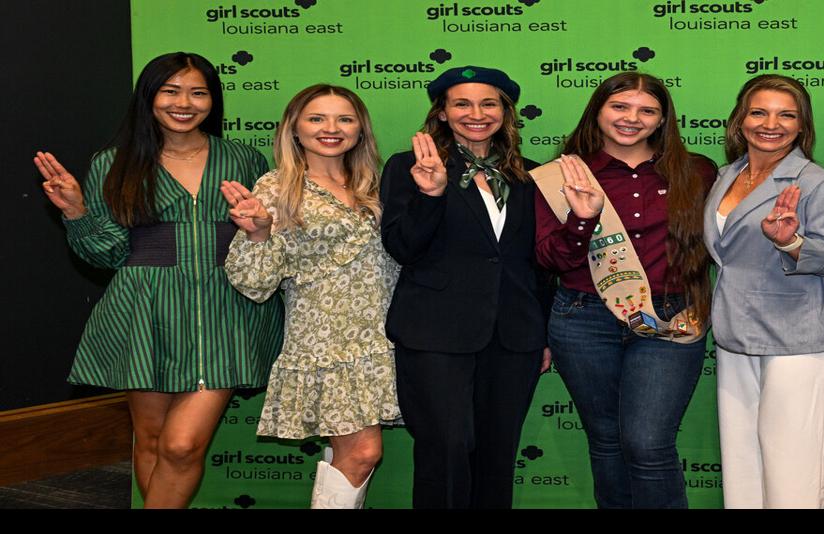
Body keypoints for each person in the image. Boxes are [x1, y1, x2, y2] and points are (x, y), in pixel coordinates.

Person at [33, 52, 283, 508]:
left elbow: (265, 241)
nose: (183, 102)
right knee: (150, 440)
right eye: (170, 90)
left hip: (224, 310)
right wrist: (75, 210)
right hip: (145, 311)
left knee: (181, 445)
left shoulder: (244, 159)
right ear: (149, 96)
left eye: (197, 92)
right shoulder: (114, 162)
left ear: (213, 100)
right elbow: (105, 254)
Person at [534, 72, 716, 509]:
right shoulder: (562, 174)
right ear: (598, 110)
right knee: (607, 441)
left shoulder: (698, 170)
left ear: (662, 120)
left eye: (646, 110)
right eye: (619, 106)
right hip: (583, 318)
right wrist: (582, 219)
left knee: (649, 443)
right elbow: (550, 260)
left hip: (670, 318)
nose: (631, 118)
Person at [221, 84, 399, 509]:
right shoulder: (277, 187)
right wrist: (258, 233)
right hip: (327, 342)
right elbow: (253, 283)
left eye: (345, 119)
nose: (331, 129)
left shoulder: (374, 186)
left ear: (360, 129)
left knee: (349, 455)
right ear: (294, 129)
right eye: (317, 118)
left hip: (384, 337)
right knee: (364, 453)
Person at [380, 65, 548, 509]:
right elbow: (403, 247)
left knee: (497, 455)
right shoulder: (409, 167)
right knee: (446, 449)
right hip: (435, 333)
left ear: (505, 112)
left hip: (514, 335)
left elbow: (539, 262)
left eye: (488, 103)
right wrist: (430, 195)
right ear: (442, 113)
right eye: (462, 103)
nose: (477, 113)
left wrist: (544, 334)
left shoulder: (530, 176)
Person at [704, 74, 824, 509]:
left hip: (799, 339)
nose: (771, 124)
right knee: (742, 466)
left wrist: (791, 242)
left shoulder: (817, 184)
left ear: (802, 126)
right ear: (739, 120)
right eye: (759, 112)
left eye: (786, 114)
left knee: (795, 471)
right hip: (735, 335)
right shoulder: (724, 177)